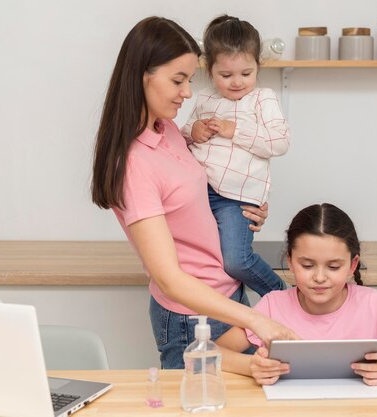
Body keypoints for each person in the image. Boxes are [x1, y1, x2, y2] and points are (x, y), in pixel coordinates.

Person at [91, 16, 297, 369]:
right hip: (193, 318)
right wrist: (256, 319)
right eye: (177, 80)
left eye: (188, 79)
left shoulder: (168, 130)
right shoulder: (134, 165)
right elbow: (170, 280)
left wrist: (244, 208)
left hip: (226, 295)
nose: (188, 92)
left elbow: (199, 198)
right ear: (143, 75)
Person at [216, 203, 377, 385]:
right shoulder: (272, 306)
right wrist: (252, 366)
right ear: (289, 262)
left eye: (333, 267)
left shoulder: (370, 304)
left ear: (352, 266)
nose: (320, 277)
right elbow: (211, 353)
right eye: (307, 265)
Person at [181, 15, 289, 297]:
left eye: (246, 73)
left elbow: (279, 141)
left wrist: (235, 130)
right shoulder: (204, 99)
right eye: (225, 75)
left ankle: (282, 295)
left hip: (237, 198)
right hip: (201, 194)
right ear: (209, 69)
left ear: (257, 66)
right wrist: (194, 130)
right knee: (211, 264)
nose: (237, 82)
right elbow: (181, 139)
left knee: (236, 260)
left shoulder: (262, 99)